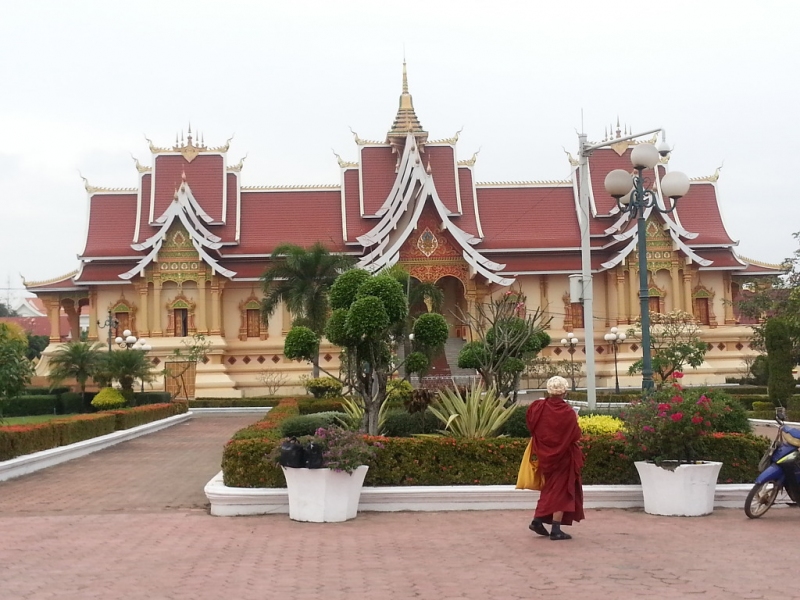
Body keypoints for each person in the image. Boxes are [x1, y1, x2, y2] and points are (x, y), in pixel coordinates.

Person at [525, 375, 585, 540]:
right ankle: (555, 529)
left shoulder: (538, 407)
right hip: (563, 457)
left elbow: (531, 425)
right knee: (561, 491)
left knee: (550, 489)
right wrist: (575, 420)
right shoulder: (568, 412)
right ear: (564, 392)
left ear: (549, 391)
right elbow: (575, 436)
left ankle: (538, 520)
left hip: (544, 455)